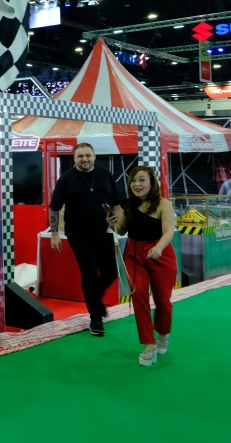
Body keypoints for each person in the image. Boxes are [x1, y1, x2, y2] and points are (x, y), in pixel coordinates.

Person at [48, 143, 122, 336]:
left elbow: (117, 204)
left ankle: (96, 298)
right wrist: (54, 234)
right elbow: (54, 208)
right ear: (74, 158)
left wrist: (114, 223)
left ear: (94, 156)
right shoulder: (66, 178)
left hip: (104, 231)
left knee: (110, 272)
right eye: (80, 156)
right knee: (89, 273)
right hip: (78, 234)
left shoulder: (105, 175)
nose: (85, 159)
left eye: (88, 155)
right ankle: (95, 319)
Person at [110, 166, 177, 367]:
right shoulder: (128, 204)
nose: (137, 184)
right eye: (133, 180)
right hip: (133, 254)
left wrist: (158, 247)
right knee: (138, 295)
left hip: (160, 254)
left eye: (141, 180)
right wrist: (112, 223)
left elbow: (169, 231)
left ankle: (163, 334)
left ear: (151, 182)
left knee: (162, 300)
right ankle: (149, 344)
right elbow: (121, 230)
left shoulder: (163, 204)